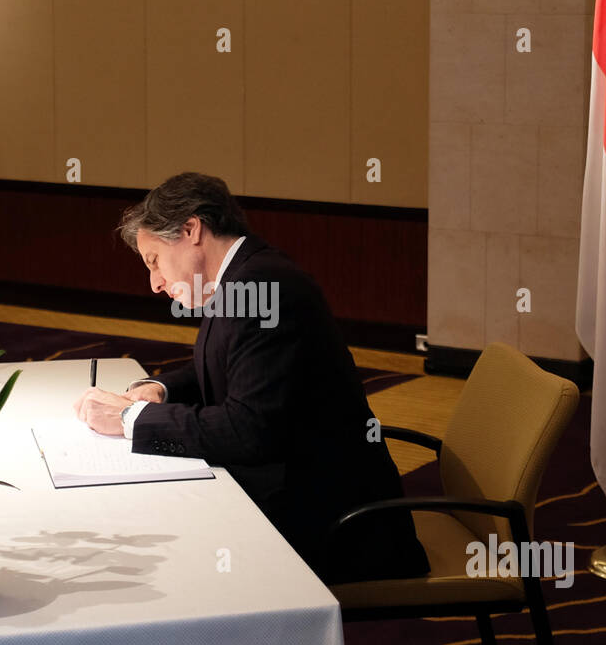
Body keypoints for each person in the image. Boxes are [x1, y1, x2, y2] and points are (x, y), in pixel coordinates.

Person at [73, 172, 428, 584]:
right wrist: (160, 389)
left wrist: (130, 419)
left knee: (164, 552)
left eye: (154, 262)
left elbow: (249, 430)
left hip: (330, 523)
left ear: (191, 230)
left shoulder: (263, 286)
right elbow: (234, 370)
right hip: (302, 489)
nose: (154, 284)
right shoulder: (247, 276)